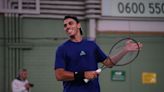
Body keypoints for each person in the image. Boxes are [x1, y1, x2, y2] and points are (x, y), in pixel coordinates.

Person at [54, 15, 142, 92]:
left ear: (78, 25)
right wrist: (83, 75)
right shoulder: (62, 49)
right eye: (65, 25)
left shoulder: (91, 45)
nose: (67, 27)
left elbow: (109, 63)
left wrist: (125, 49)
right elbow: (59, 75)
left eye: (70, 23)